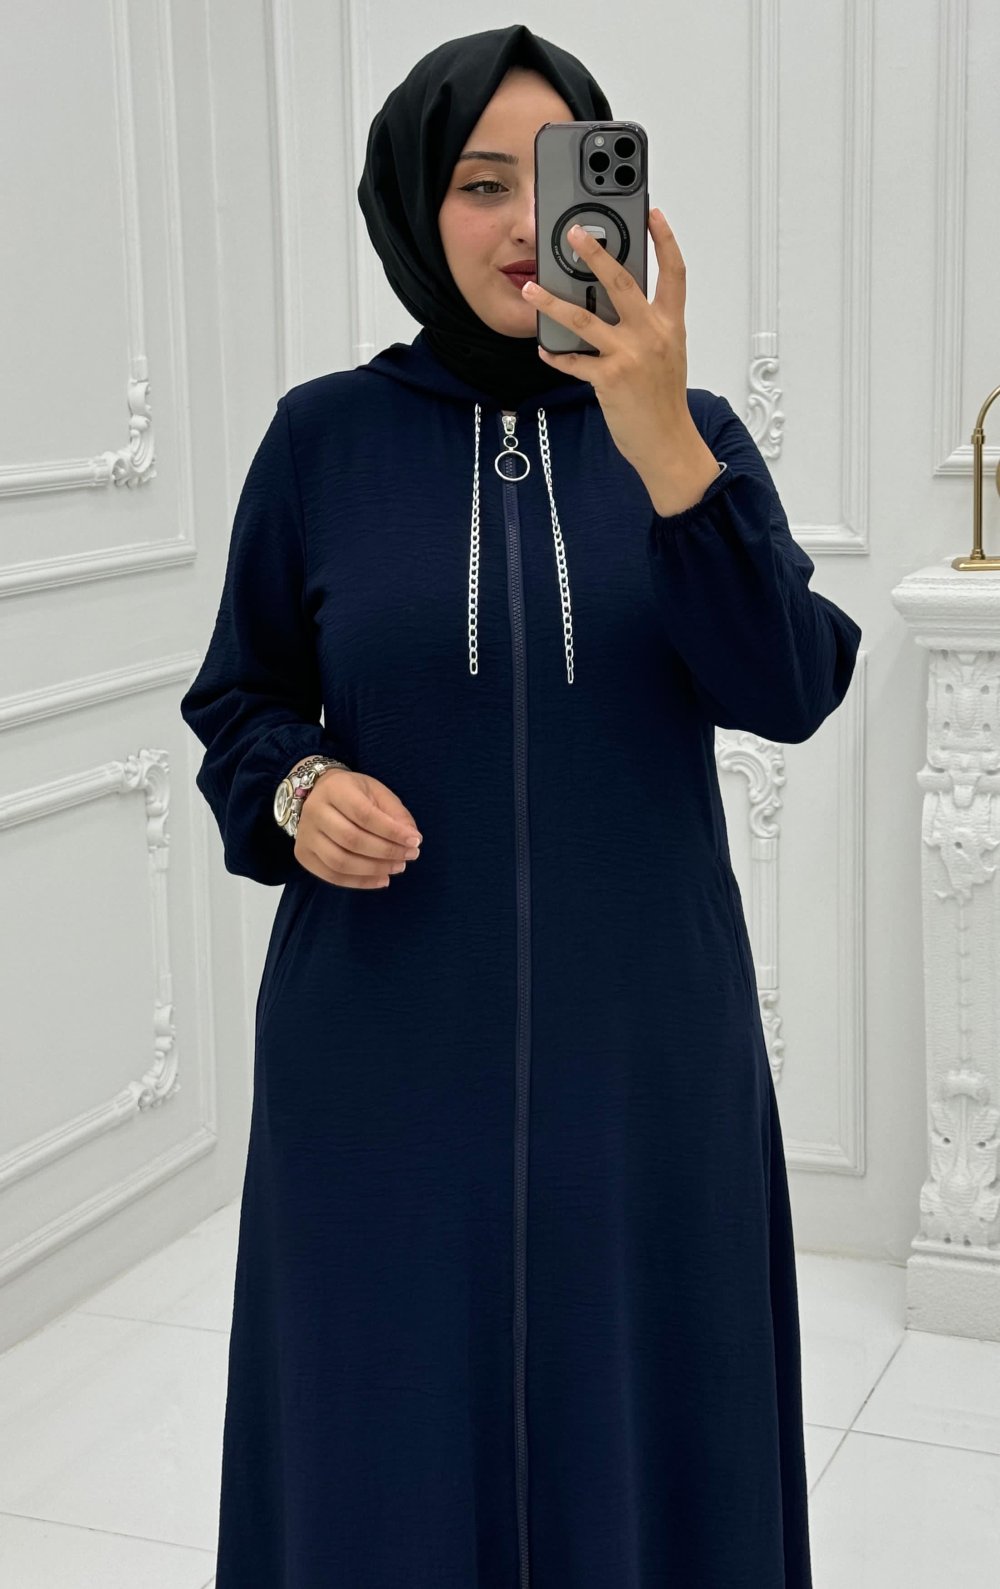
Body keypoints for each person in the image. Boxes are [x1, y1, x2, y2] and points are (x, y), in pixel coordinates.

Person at [179, 22, 862, 1589]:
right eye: (480, 183)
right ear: (418, 204)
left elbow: (790, 685)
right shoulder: (322, 439)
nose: (520, 223)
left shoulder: (686, 430)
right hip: (378, 1052)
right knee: (381, 1427)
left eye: (555, 180)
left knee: (652, 1415)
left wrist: (666, 446)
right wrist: (298, 785)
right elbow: (239, 702)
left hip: (647, 1053)